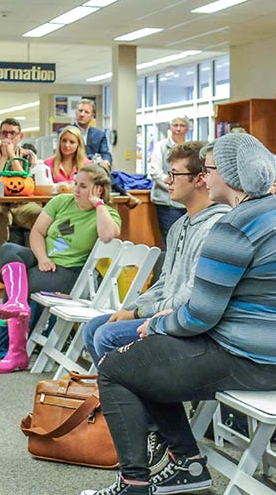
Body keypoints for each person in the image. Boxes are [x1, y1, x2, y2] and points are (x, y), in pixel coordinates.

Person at [79, 133, 276, 495]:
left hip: (245, 360)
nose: (205, 179)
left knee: (115, 368)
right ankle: (188, 464)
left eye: (209, 170)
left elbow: (199, 315)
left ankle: (134, 489)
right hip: (274, 357)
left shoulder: (236, 228)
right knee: (144, 362)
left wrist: (155, 327)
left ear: (228, 176)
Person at [81, 141, 229, 363]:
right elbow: (165, 282)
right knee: (93, 328)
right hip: (163, 313)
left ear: (199, 179)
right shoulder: (180, 226)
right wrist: (133, 308)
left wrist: (137, 314)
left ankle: (135, 395)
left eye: (175, 174)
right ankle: (119, 395)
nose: (167, 181)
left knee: (106, 335)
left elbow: (190, 296)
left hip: (185, 323)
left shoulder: (214, 228)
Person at [0, 166, 122, 373]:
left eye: (83, 186)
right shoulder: (61, 201)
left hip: (69, 272)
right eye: (76, 183)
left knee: (19, 284)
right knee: (8, 249)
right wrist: (42, 257)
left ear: (99, 190)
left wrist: (98, 205)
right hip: (45, 260)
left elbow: (108, 235)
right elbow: (38, 232)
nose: (76, 189)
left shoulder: (107, 213)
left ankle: (17, 351)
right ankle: (16, 308)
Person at [0, 118, 42, 251]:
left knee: (41, 216)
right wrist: (4, 158)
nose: (8, 137)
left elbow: (26, 182)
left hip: (22, 204)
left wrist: (12, 156)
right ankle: (3, 257)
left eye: (13, 133)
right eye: (4, 133)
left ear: (20, 136)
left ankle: (34, 256)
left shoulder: (28, 155)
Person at [145, 117, 190, 245]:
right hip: (167, 202)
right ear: (170, 128)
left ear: (187, 129)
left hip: (187, 202)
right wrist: (175, 185)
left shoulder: (190, 148)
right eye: (175, 125)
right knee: (171, 239)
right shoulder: (160, 146)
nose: (178, 129)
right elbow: (156, 172)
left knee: (186, 240)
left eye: (182, 125)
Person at [43, 125, 91, 190]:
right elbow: (44, 189)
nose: (66, 145)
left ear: (78, 145)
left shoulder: (87, 165)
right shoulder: (48, 164)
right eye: (64, 141)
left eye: (72, 142)